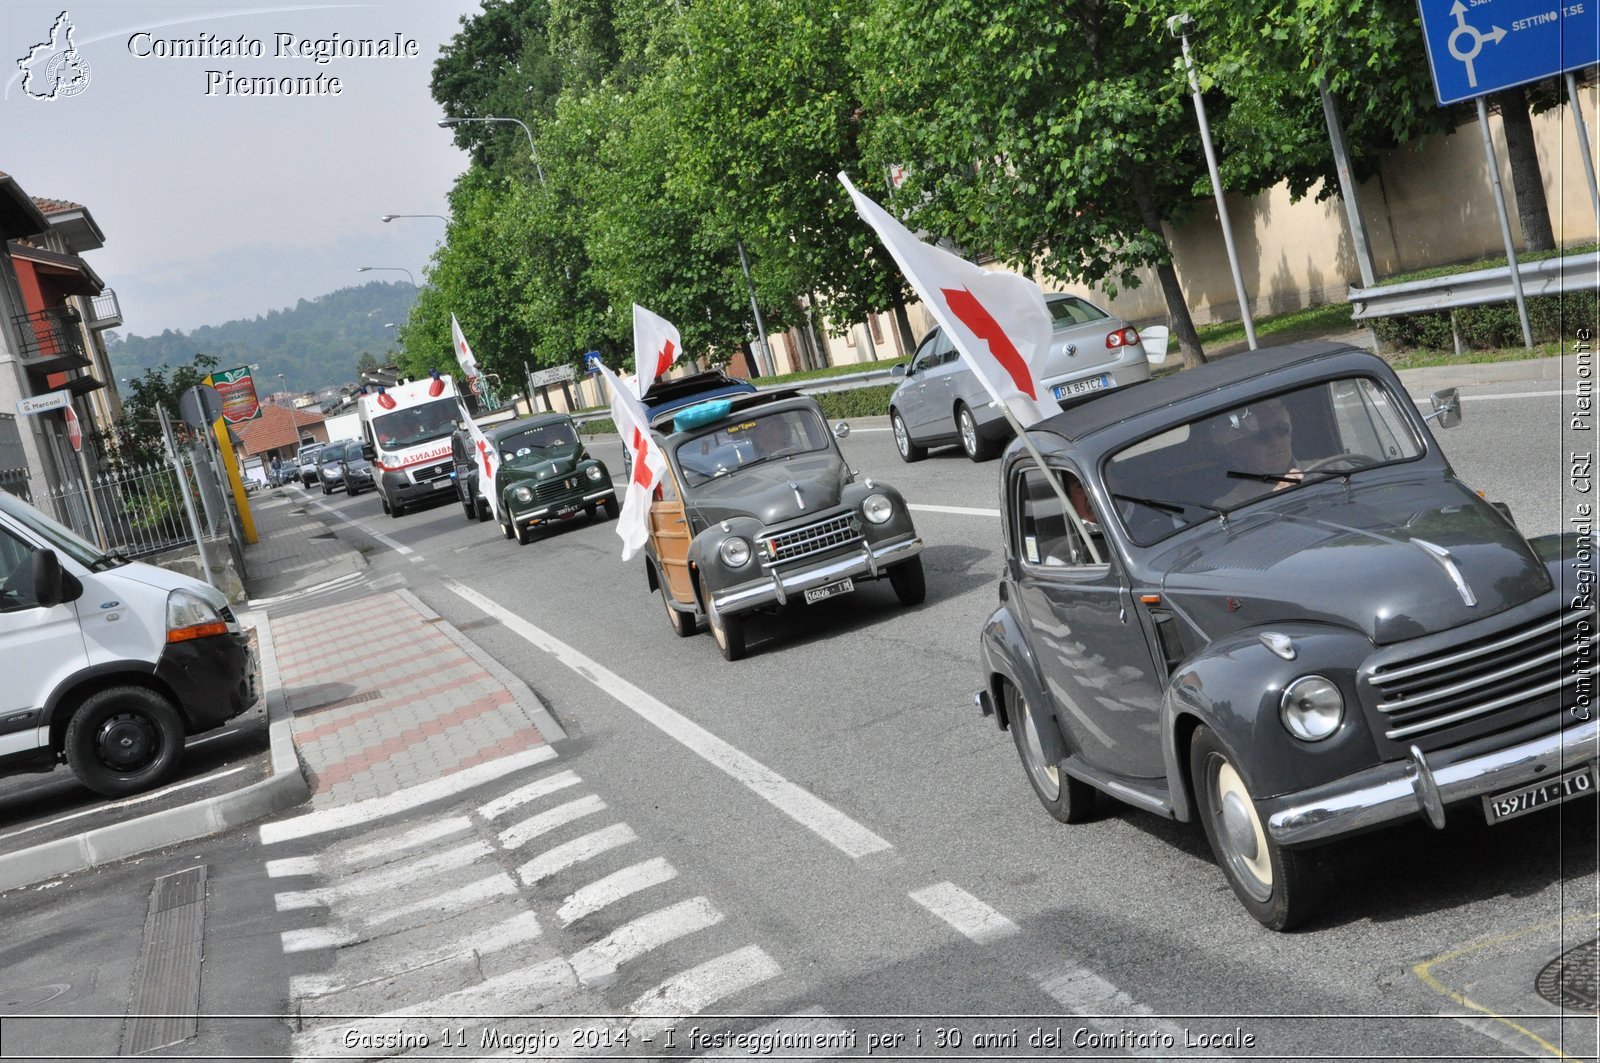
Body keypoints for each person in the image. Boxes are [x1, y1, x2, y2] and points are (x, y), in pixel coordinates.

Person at [1212, 398, 1302, 507]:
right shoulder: (1229, 506)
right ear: (1239, 449)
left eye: (1281, 430)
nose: (1275, 441)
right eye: (1262, 436)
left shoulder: (1325, 470)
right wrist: (1278, 501)